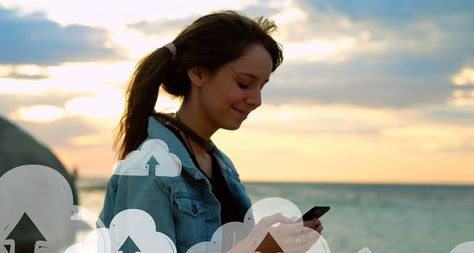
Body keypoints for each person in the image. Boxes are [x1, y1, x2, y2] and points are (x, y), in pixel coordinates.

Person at [99, 10, 323, 253]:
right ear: (199, 73)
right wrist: (256, 249)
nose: (256, 100)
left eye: (262, 86)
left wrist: (271, 243)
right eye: (244, 84)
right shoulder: (150, 169)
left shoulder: (221, 166)